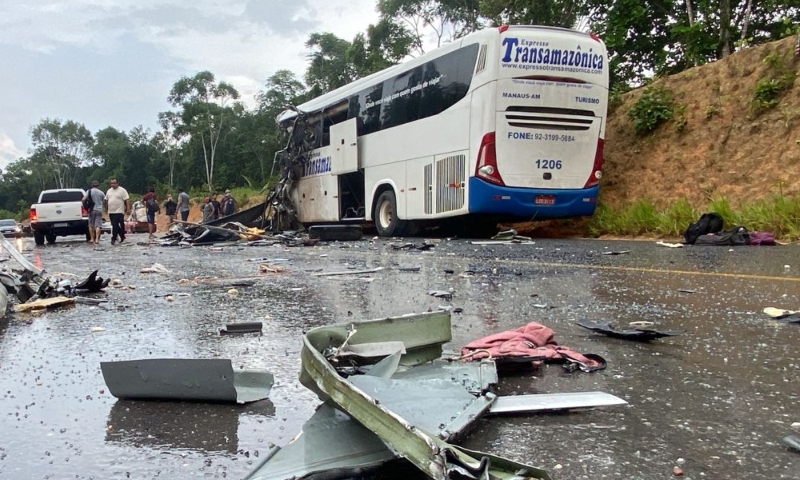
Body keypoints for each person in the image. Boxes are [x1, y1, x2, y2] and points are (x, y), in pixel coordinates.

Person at [104, 178, 130, 245]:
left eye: (114, 183)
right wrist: (106, 208)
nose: (113, 184)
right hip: (111, 211)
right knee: (114, 225)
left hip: (119, 211)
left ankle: (114, 238)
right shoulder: (109, 191)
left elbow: (127, 200)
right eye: (112, 183)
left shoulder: (122, 190)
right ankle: (122, 236)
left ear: (118, 183)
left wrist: (128, 209)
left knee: (115, 224)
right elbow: (106, 200)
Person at [83, 180, 105, 245]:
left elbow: (83, 199)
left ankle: (92, 238)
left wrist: (85, 206)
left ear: (92, 185)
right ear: (98, 185)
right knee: (98, 225)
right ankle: (97, 239)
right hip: (99, 210)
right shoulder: (101, 192)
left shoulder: (88, 191)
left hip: (91, 210)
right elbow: (104, 200)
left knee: (91, 225)